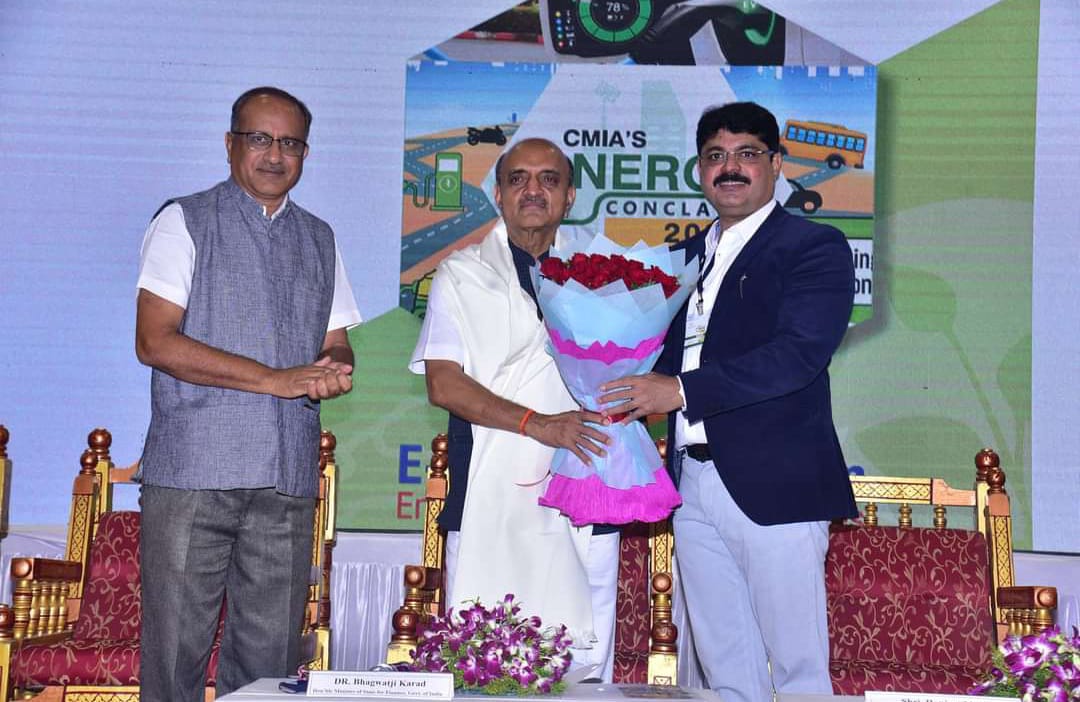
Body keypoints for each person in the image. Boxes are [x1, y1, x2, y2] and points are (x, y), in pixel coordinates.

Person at [599, 102, 857, 702]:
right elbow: (656, 353)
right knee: (726, 670)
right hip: (690, 483)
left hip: (777, 482)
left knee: (798, 670)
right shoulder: (683, 257)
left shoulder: (813, 246)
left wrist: (679, 390)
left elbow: (797, 355)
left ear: (777, 164)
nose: (730, 167)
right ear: (699, 170)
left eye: (747, 154)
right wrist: (608, 380)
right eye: (716, 155)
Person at [134, 86, 362, 702]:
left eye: (290, 143)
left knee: (268, 668)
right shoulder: (184, 220)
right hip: (193, 474)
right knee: (174, 661)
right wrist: (276, 379)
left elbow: (336, 342)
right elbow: (154, 341)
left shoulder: (319, 237)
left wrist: (333, 368)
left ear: (305, 153)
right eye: (259, 138)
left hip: (286, 477)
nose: (274, 155)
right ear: (230, 143)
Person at [409, 138, 620, 680]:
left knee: (584, 667)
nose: (533, 190)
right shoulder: (461, 275)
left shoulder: (604, 278)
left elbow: (625, 379)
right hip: (487, 490)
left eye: (549, 179)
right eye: (518, 178)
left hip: (584, 488)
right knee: (486, 663)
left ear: (569, 196)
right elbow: (444, 385)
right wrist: (537, 425)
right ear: (498, 195)